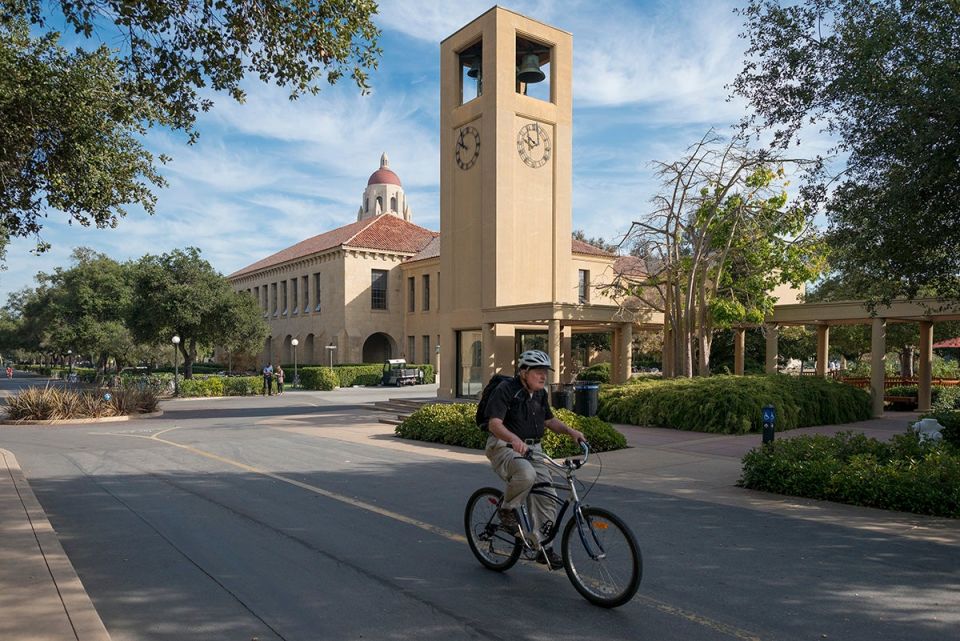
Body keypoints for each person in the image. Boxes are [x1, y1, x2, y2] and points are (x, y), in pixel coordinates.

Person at [483, 349, 584, 569]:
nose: (543, 376)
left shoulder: (539, 394)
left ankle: (543, 548)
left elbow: (549, 421)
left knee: (547, 495)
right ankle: (506, 509)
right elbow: (494, 424)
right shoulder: (506, 390)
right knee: (526, 474)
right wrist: (514, 439)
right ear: (523, 372)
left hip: (533, 450)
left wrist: (571, 432)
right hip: (504, 446)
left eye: (545, 372)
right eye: (538, 371)